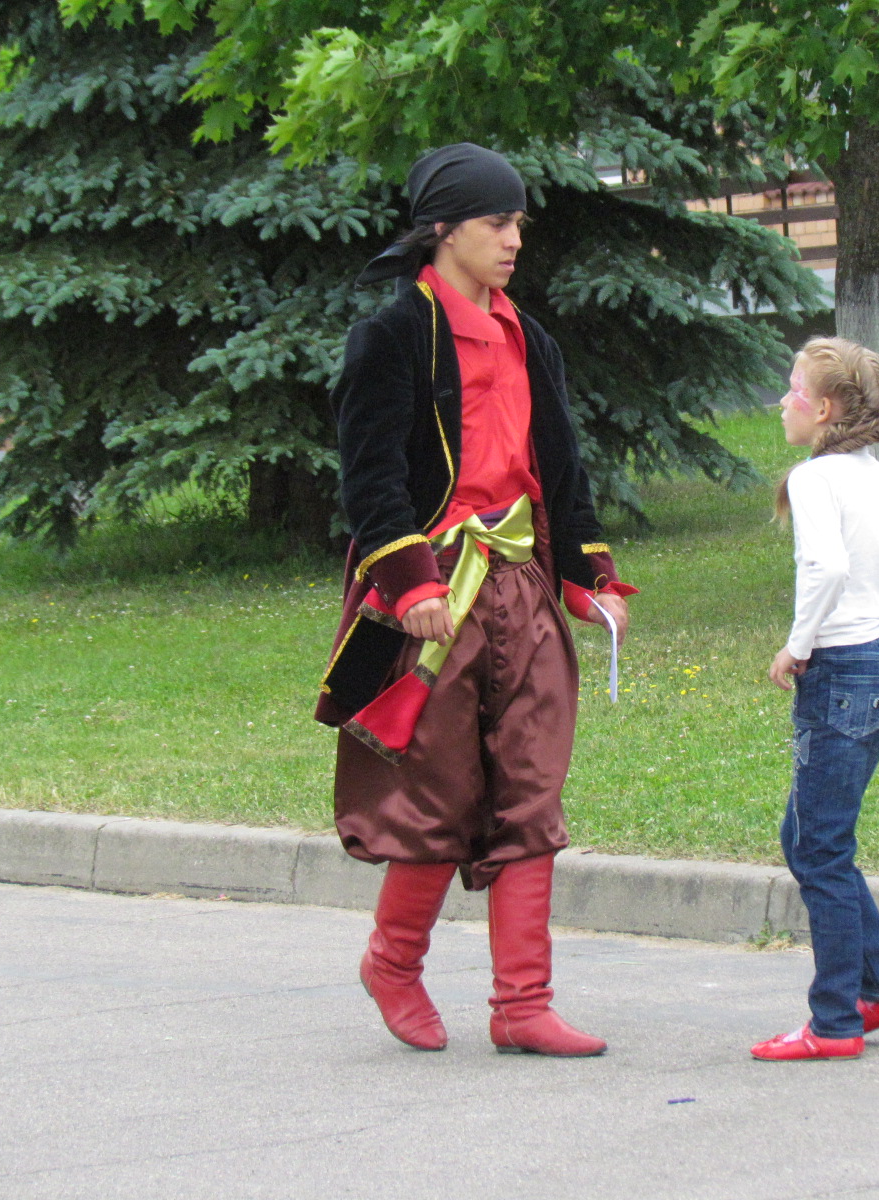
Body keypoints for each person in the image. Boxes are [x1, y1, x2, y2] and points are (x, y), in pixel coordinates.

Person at [314, 143, 635, 1057]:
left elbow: (562, 471)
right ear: (445, 228)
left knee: (532, 785)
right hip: (433, 595)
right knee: (438, 792)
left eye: (519, 222)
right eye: (498, 222)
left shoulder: (531, 338)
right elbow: (371, 477)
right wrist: (410, 579)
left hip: (519, 587)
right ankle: (393, 962)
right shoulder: (391, 335)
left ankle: (522, 1006)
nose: (514, 238)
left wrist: (590, 577)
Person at [750, 336, 879, 1062]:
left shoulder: (815, 479)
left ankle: (834, 1021)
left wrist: (797, 645)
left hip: (841, 671)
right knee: (808, 837)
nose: (782, 402)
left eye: (793, 390)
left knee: (819, 847)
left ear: (822, 410)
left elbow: (825, 567)